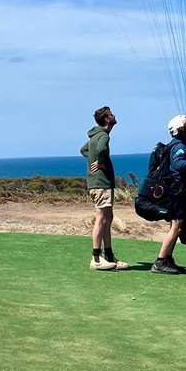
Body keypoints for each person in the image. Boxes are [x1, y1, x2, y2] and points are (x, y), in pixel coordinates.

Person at [151, 114, 186, 275]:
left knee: (176, 227)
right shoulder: (178, 146)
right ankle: (160, 261)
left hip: (175, 191)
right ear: (181, 130)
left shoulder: (177, 144)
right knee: (176, 227)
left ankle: (167, 259)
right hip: (176, 192)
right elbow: (178, 164)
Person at [80, 106, 128, 271]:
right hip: (101, 183)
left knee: (107, 218)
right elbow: (100, 149)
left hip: (100, 183)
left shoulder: (96, 136)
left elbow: (84, 149)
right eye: (111, 114)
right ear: (107, 119)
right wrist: (100, 161)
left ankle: (109, 256)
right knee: (101, 218)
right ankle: (96, 258)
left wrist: (93, 158)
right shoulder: (103, 137)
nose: (114, 116)